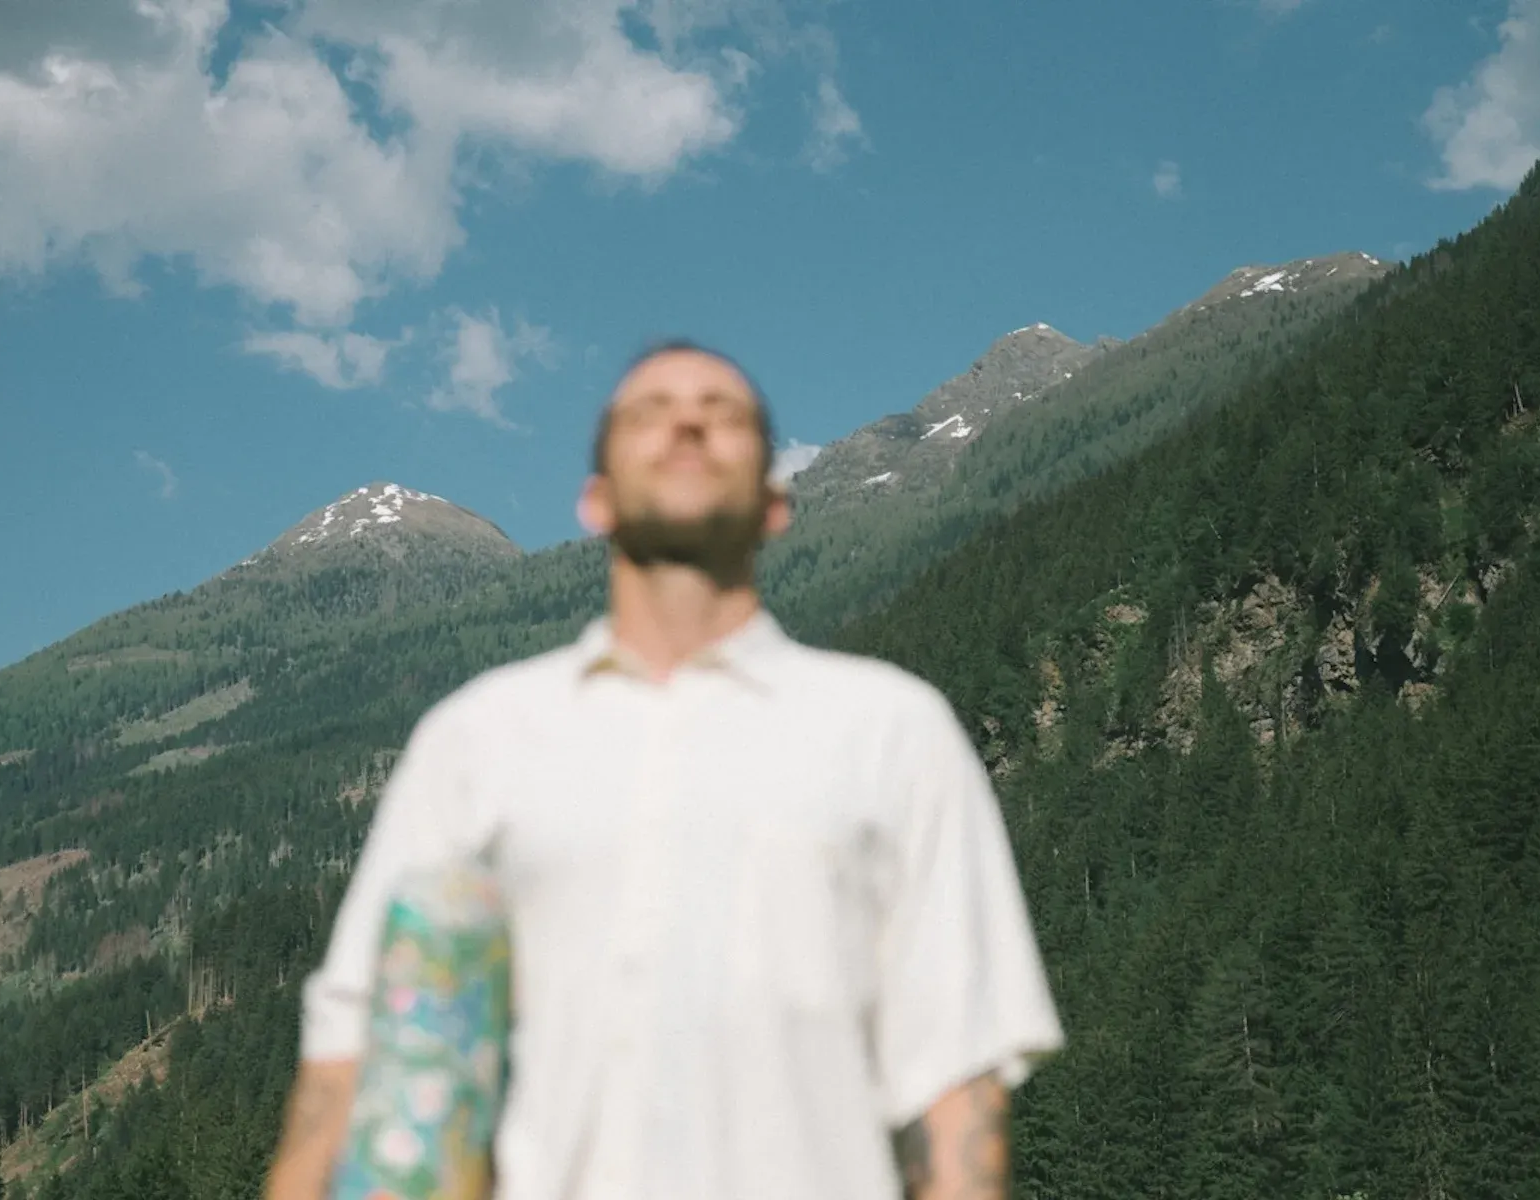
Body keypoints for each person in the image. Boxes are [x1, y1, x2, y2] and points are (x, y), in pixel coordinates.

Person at [265, 339, 1066, 1200]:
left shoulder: (892, 729)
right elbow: (357, 1057)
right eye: (649, 414)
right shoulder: (478, 737)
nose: (687, 423)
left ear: (775, 503)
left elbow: (953, 1082)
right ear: (596, 500)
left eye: (723, 415)